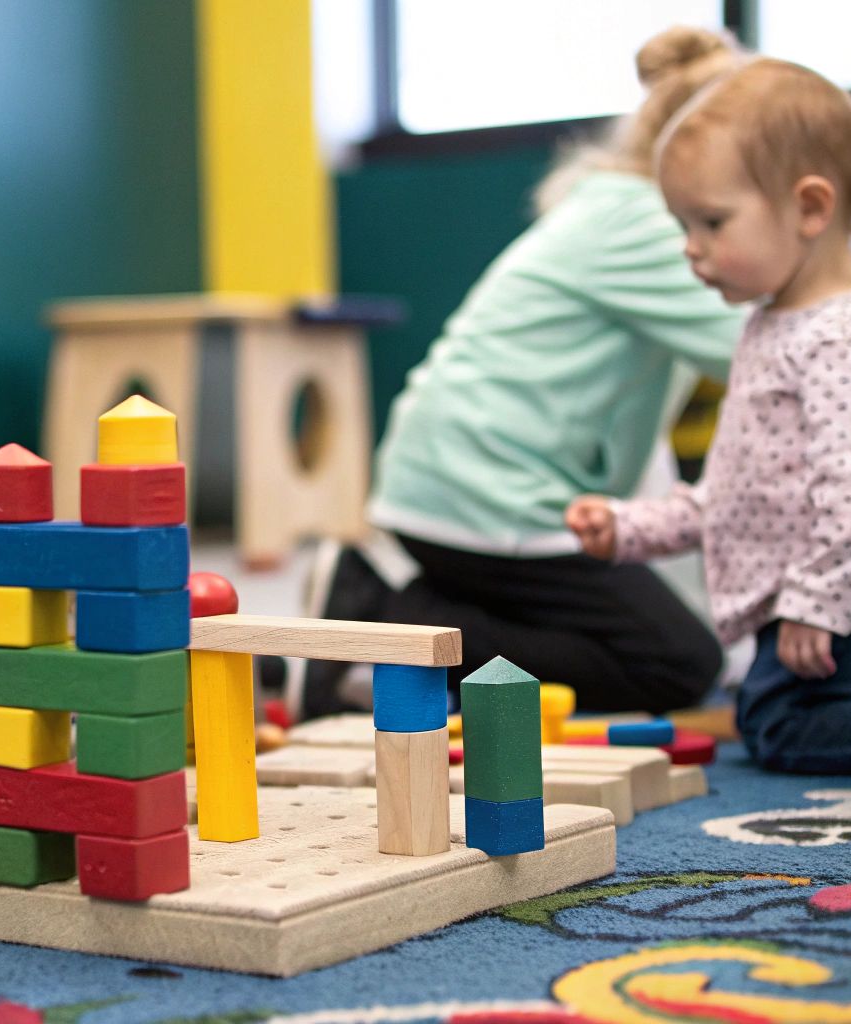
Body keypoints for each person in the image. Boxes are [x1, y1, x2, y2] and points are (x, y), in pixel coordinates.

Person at [297, 27, 746, 720]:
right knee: (675, 661)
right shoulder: (650, 225)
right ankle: (384, 624)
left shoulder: (612, 207)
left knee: (631, 619)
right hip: (487, 495)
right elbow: (767, 353)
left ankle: (390, 604)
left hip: (456, 480)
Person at [564, 57, 851, 787]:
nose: (689, 246)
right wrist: (631, 529)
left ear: (811, 208)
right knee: (795, 704)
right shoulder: (773, 326)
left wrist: (817, 604)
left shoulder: (845, 339)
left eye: (711, 221)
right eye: (682, 224)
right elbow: (738, 488)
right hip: (816, 587)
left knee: (779, 725)